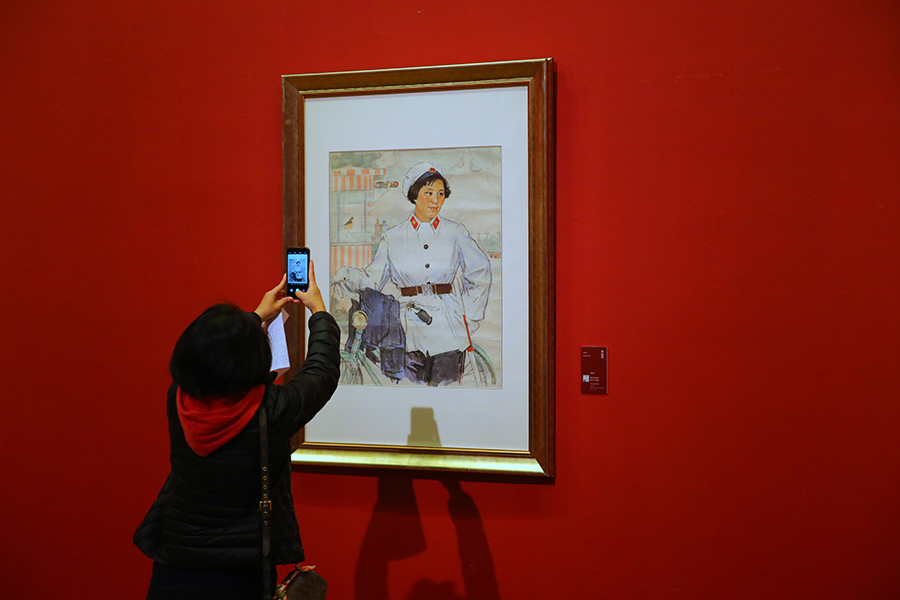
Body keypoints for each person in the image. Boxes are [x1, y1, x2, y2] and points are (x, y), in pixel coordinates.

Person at [134, 263, 340, 599]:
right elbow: (321, 373)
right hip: (240, 574)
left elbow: (214, 352)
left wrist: (257, 316)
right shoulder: (270, 410)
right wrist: (319, 312)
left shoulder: (178, 398)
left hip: (173, 566)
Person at [334, 162, 492, 386]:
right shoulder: (393, 237)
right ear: (414, 195)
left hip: (448, 327)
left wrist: (470, 314)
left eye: (440, 194)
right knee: (410, 393)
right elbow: (372, 279)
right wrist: (346, 274)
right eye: (429, 193)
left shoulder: (455, 232)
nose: (435, 200)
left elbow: (480, 271)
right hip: (406, 330)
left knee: (447, 393)